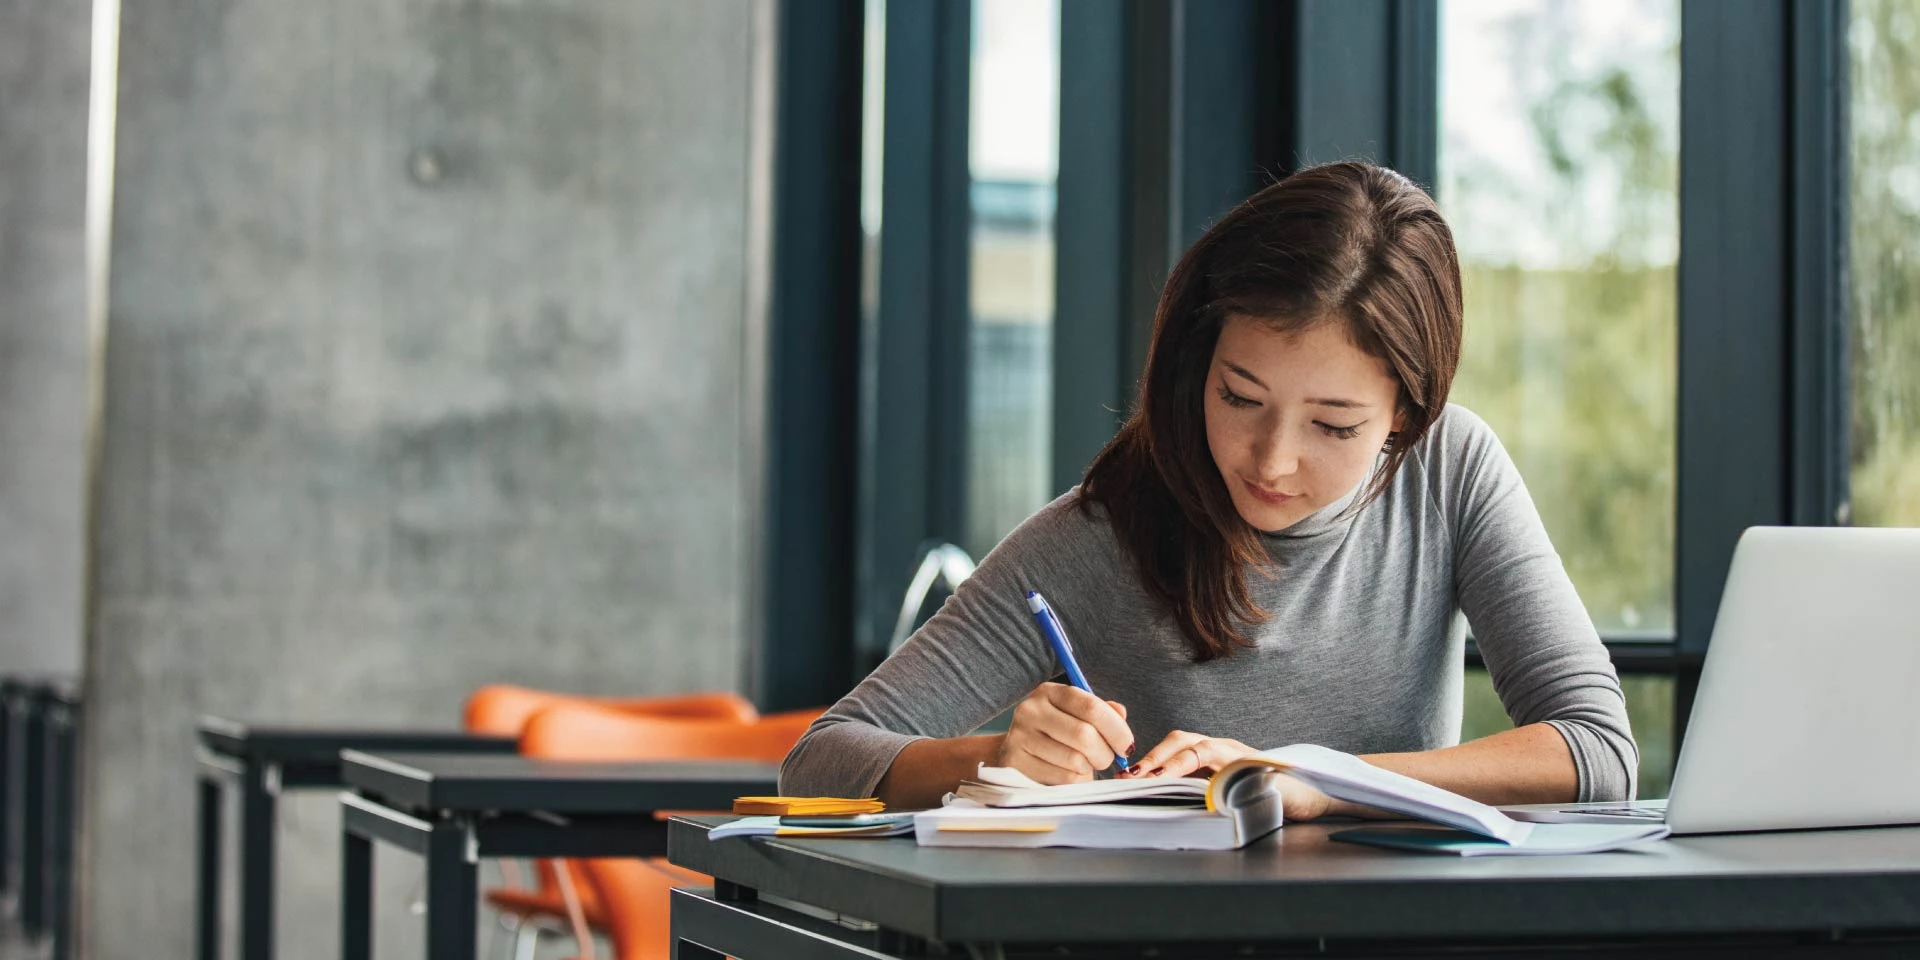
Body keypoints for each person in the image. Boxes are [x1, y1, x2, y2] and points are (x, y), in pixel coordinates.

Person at [781, 161, 1637, 819]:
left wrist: (1309, 778)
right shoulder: (1104, 532)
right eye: (1239, 398)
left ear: (1405, 418)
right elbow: (820, 759)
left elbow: (1596, 751)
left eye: (1333, 427)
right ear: (1197, 363)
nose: (1271, 461)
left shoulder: (1449, 471)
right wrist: (995, 756)